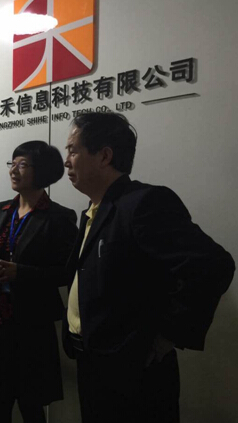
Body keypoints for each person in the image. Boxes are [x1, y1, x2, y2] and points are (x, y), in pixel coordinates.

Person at [62, 112, 235, 423]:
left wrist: (166, 335)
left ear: (104, 156)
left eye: (73, 150)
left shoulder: (143, 203)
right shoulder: (95, 209)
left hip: (133, 372)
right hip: (94, 362)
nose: (66, 161)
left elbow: (212, 265)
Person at [0, 141, 77, 423]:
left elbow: (66, 272)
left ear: (41, 171)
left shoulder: (59, 217)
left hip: (32, 326)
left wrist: (21, 273)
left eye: (22, 165)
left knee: (31, 404)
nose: (13, 170)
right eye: (13, 163)